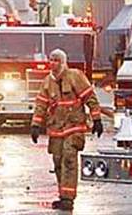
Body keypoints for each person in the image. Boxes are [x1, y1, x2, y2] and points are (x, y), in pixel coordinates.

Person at [31, 48, 103, 211]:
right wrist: (35, 125)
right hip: (56, 129)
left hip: (74, 127)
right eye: (51, 60)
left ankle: (68, 199)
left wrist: (96, 118)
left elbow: (89, 97)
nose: (53, 63)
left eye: (56, 60)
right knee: (57, 161)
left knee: (69, 159)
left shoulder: (75, 76)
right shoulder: (47, 82)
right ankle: (62, 194)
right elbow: (41, 105)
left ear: (63, 62)